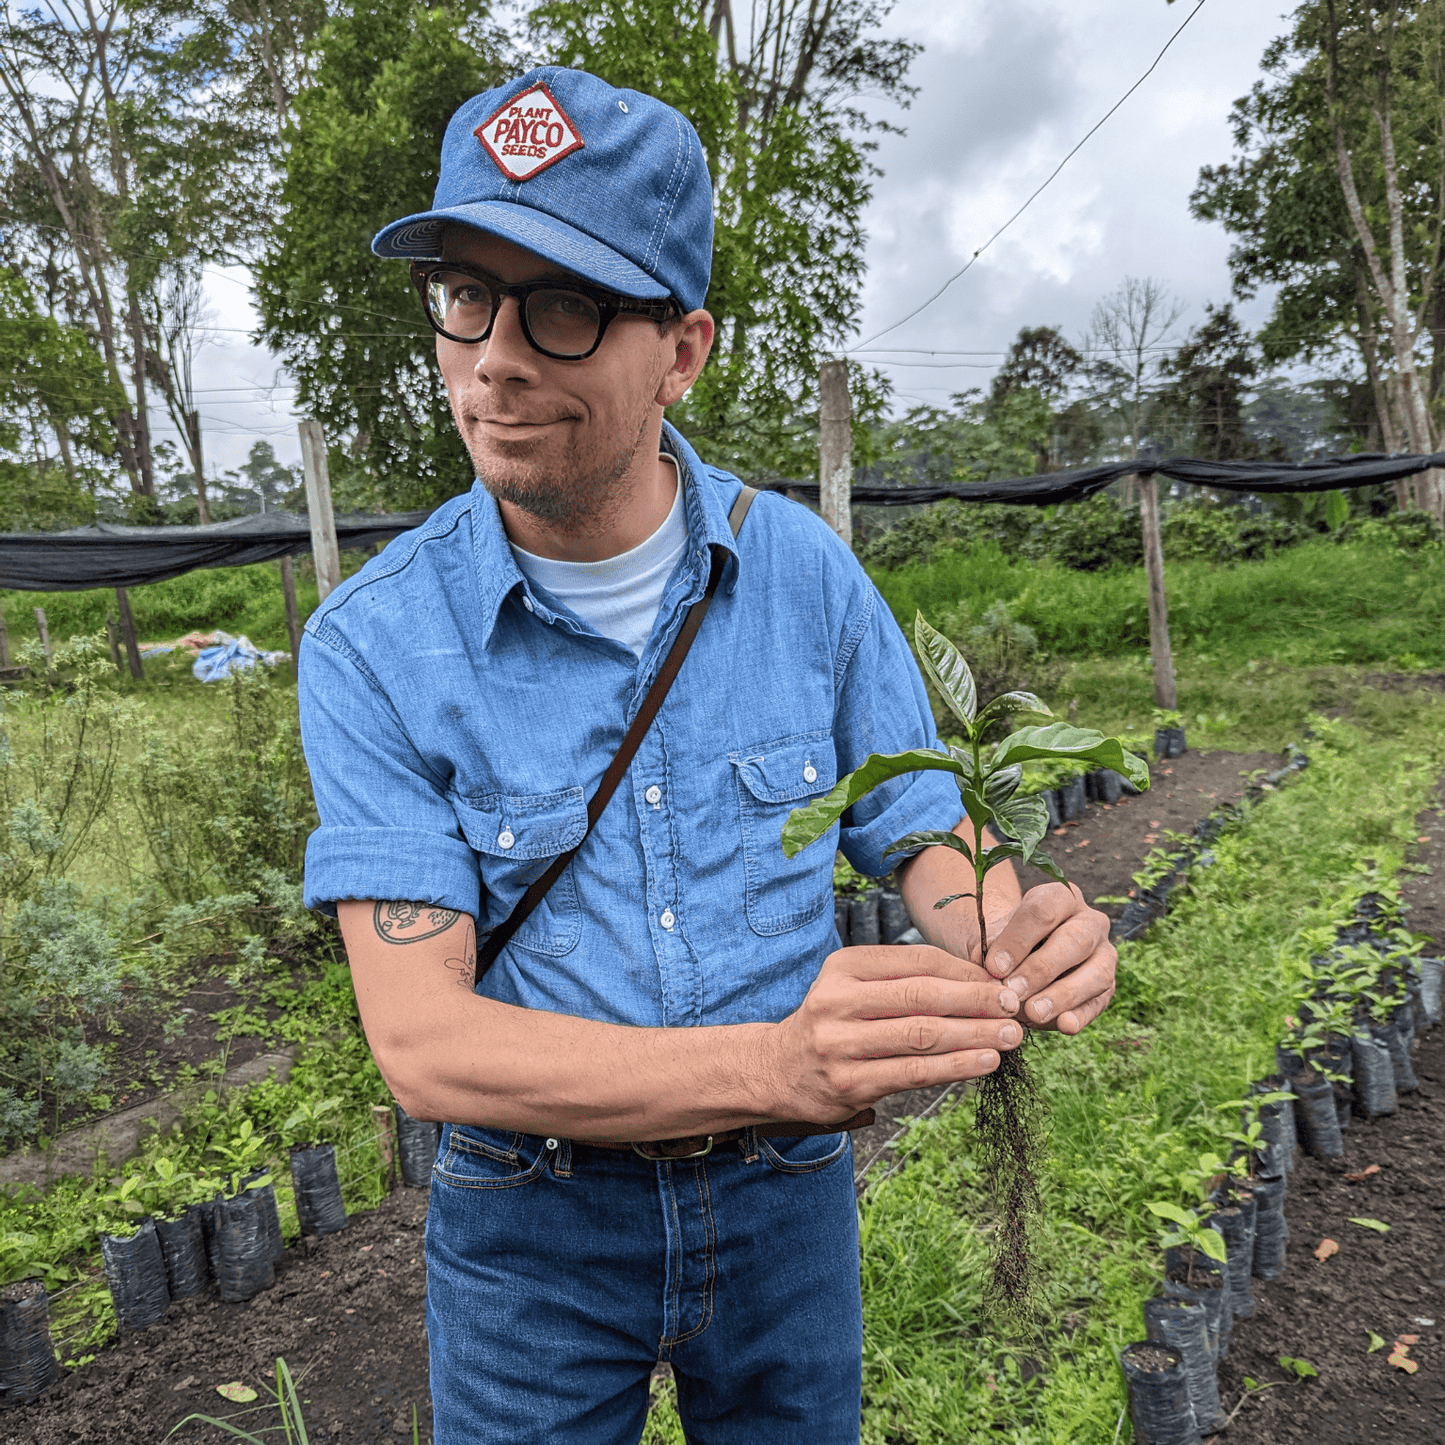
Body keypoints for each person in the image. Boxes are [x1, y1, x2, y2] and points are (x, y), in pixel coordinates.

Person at [299, 66, 1115, 1445]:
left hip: (782, 1209)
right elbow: (427, 1047)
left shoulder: (803, 575)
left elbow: (921, 821)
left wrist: (1011, 928)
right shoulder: (375, 646)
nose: (493, 357)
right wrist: (778, 1065)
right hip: (530, 1226)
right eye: (463, 296)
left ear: (681, 352)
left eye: (560, 308)